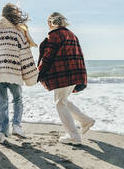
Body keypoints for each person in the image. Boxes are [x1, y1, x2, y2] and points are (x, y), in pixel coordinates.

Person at [0, 3, 38, 143]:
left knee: (2, 105)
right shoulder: (18, 32)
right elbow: (25, 54)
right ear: (13, 15)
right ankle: (16, 126)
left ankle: (2, 133)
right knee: (17, 100)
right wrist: (30, 73)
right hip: (14, 73)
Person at [37, 12, 95, 145]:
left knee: (60, 103)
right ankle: (86, 121)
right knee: (63, 101)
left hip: (63, 74)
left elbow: (47, 57)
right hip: (75, 73)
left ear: (51, 23)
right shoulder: (72, 34)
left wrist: (38, 74)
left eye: (48, 22)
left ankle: (73, 136)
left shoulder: (54, 35)